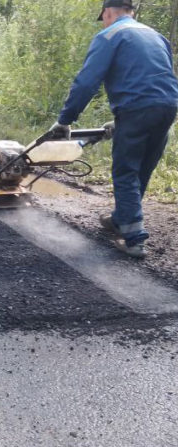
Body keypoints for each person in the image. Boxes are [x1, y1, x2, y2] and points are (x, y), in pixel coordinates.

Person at [50, 0, 178, 258]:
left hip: (137, 108)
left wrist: (65, 120)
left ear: (108, 13)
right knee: (143, 165)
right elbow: (153, 80)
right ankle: (122, 218)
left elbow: (87, 82)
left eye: (104, 17)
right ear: (131, 12)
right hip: (168, 106)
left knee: (126, 169)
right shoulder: (156, 35)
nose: (105, 21)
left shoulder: (109, 35)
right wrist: (122, 121)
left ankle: (133, 238)